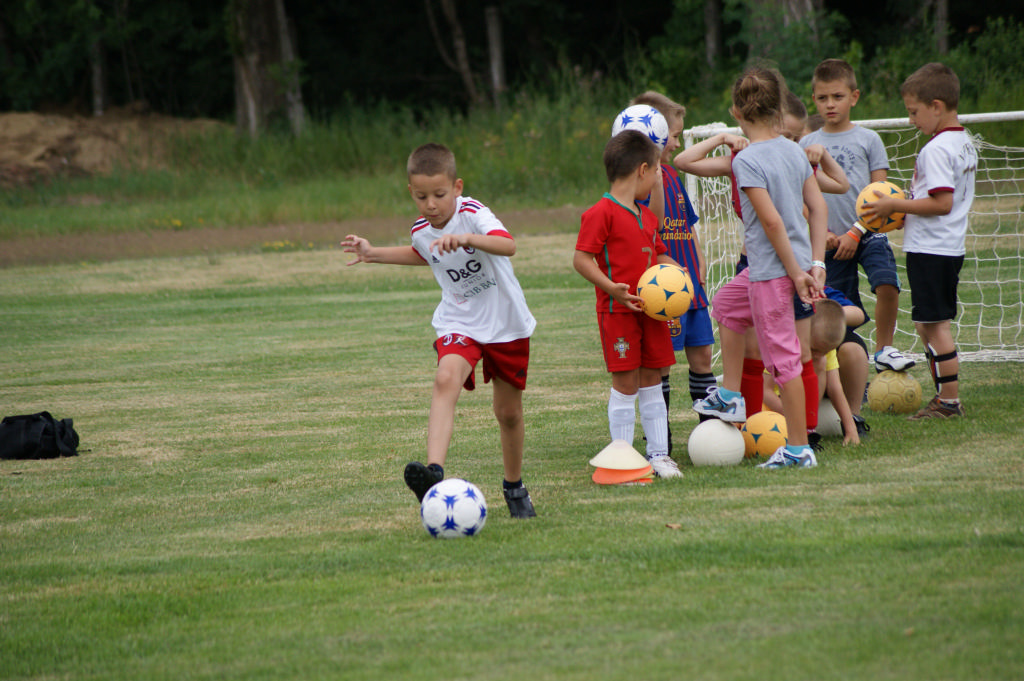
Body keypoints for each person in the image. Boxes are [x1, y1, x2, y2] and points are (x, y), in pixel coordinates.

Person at [341, 143, 538, 517]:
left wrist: (466, 238)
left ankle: (514, 488)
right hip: (459, 319)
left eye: (439, 195)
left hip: (505, 322)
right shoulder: (421, 229)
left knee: (508, 413)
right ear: (410, 192)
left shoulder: (473, 213)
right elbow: (423, 253)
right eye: (421, 196)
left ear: (457, 187)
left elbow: (507, 245)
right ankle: (434, 474)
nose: (430, 204)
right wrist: (372, 253)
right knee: (445, 379)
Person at [691, 66, 827, 469]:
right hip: (789, 267)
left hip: (772, 273)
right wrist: (813, 264)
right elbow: (818, 208)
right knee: (726, 305)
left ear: (736, 111)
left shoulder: (748, 159)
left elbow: (771, 223)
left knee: (783, 361)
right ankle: (731, 397)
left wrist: (796, 271)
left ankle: (799, 449)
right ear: (781, 108)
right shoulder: (793, 149)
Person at [861, 62, 977, 420]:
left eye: (914, 112)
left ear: (937, 106)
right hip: (944, 246)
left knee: (935, 325)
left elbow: (941, 203)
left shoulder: (937, 150)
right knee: (927, 323)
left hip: (933, 248)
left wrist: (895, 204)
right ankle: (943, 395)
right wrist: (905, 215)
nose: (912, 120)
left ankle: (949, 402)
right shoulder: (964, 142)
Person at [573, 130, 683, 478]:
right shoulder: (600, 213)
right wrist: (613, 289)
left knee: (652, 378)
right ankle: (621, 458)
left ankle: (659, 456)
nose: (655, 183)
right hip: (617, 311)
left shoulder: (647, 216)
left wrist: (675, 272)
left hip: (652, 312)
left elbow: (659, 252)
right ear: (642, 170)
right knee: (626, 384)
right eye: (655, 175)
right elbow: (581, 259)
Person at [800, 58, 914, 374]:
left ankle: (884, 350)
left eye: (837, 96)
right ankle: (846, 370)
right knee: (838, 310)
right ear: (814, 101)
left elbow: (883, 195)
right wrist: (819, 232)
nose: (830, 104)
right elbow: (803, 198)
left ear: (854, 96)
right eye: (822, 98)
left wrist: (856, 231)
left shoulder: (869, 140)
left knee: (887, 283)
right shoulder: (806, 144)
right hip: (827, 241)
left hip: (867, 233)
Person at [630, 91, 717, 437]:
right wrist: (654, 173)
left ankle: (712, 431)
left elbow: (688, 226)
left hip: (690, 283)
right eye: (675, 136)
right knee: (662, 365)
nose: (678, 143)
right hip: (662, 289)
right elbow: (654, 219)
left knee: (703, 359)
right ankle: (660, 438)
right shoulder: (643, 178)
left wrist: (700, 266)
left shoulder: (673, 175)